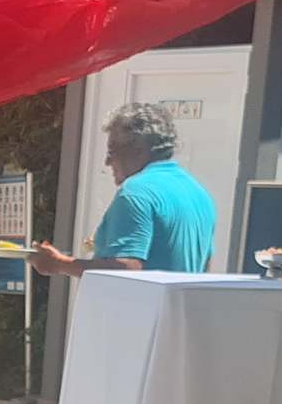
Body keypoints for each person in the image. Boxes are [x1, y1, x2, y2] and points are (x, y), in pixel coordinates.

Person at [29, 103, 216, 277]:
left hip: (141, 303)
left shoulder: (136, 192)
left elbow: (125, 269)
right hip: (180, 303)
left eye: (112, 151)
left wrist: (59, 263)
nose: (107, 162)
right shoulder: (198, 193)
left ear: (139, 150)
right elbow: (204, 267)